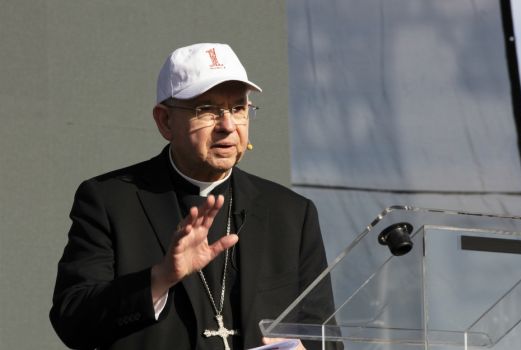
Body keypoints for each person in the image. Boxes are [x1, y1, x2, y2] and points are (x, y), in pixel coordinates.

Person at [50, 43, 337, 350]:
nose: (227, 126)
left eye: (238, 108)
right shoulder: (110, 201)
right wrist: (160, 278)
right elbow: (73, 320)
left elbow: (325, 336)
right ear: (165, 121)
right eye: (208, 110)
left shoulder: (291, 213)